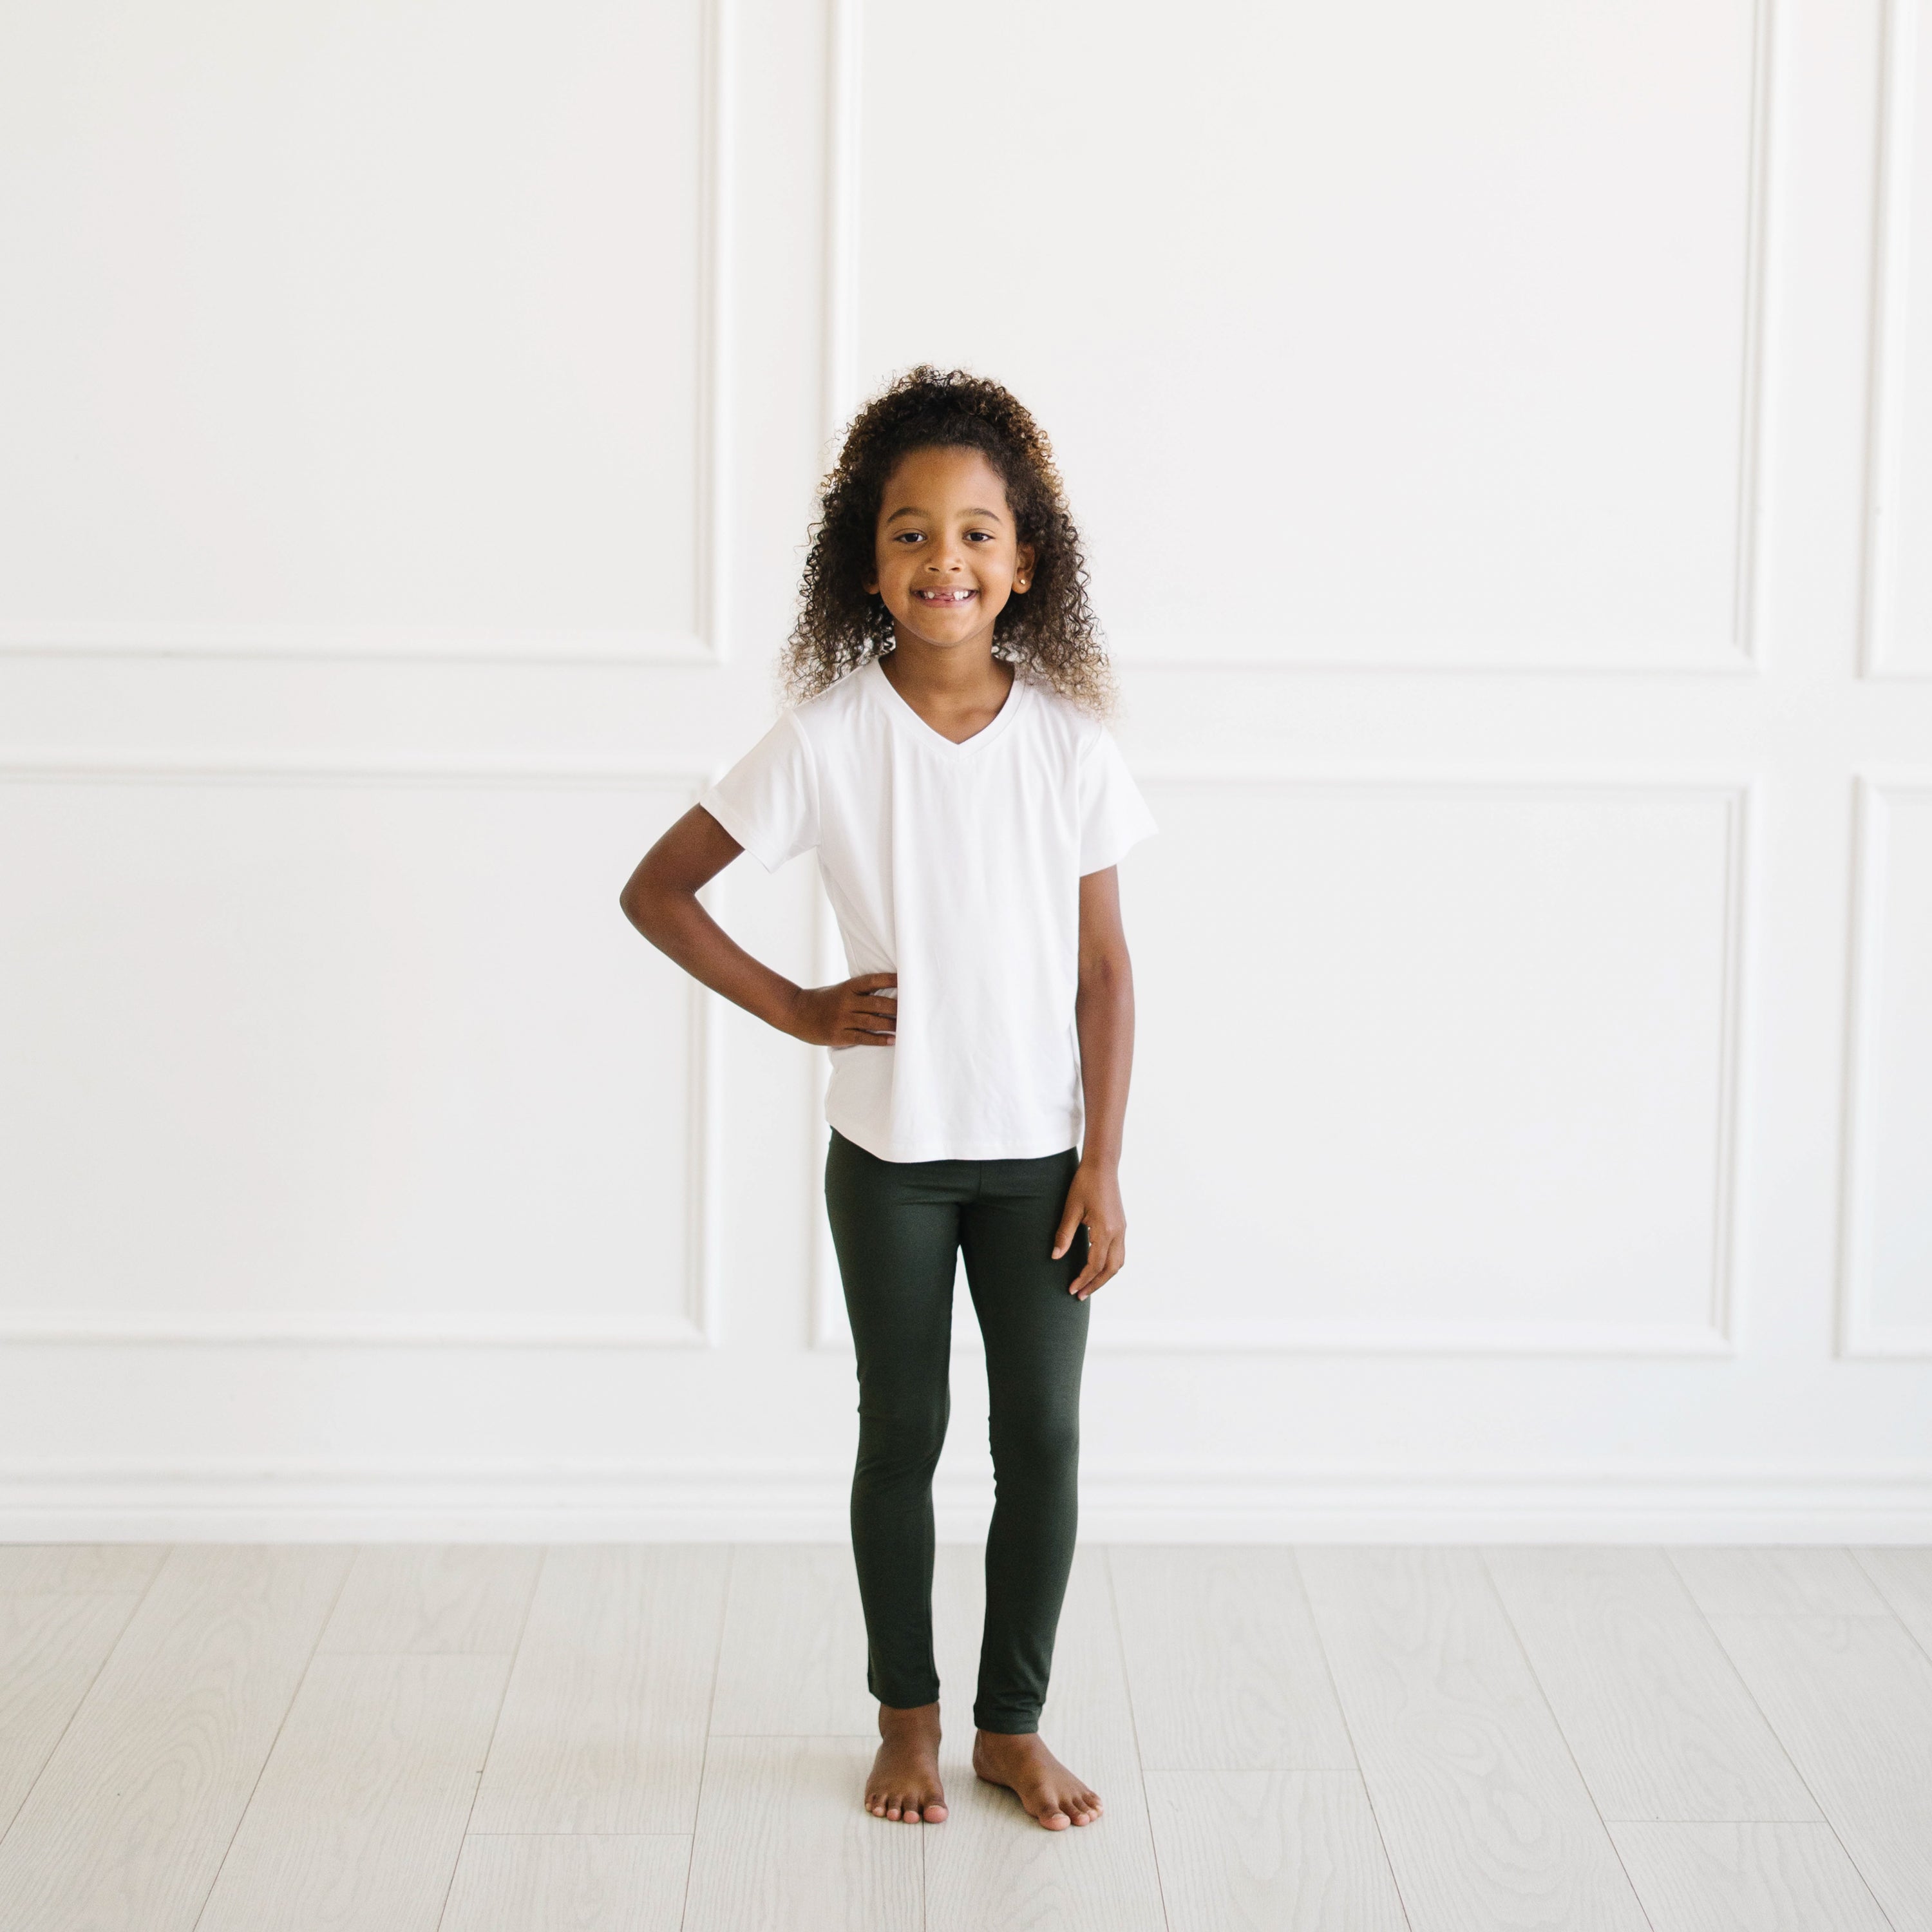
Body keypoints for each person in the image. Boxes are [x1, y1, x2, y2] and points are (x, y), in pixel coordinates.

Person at [620, 365, 1157, 1832]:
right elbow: (659, 890)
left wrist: (1100, 1164)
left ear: (1026, 562)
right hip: (895, 1164)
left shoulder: (1071, 744)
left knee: (1041, 1443)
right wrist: (798, 1006)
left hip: (1041, 1159)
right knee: (901, 1435)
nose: (947, 561)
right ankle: (908, 1721)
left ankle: (1013, 1724)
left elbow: (1106, 976)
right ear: (869, 564)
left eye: (978, 533)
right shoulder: (828, 738)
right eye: (912, 533)